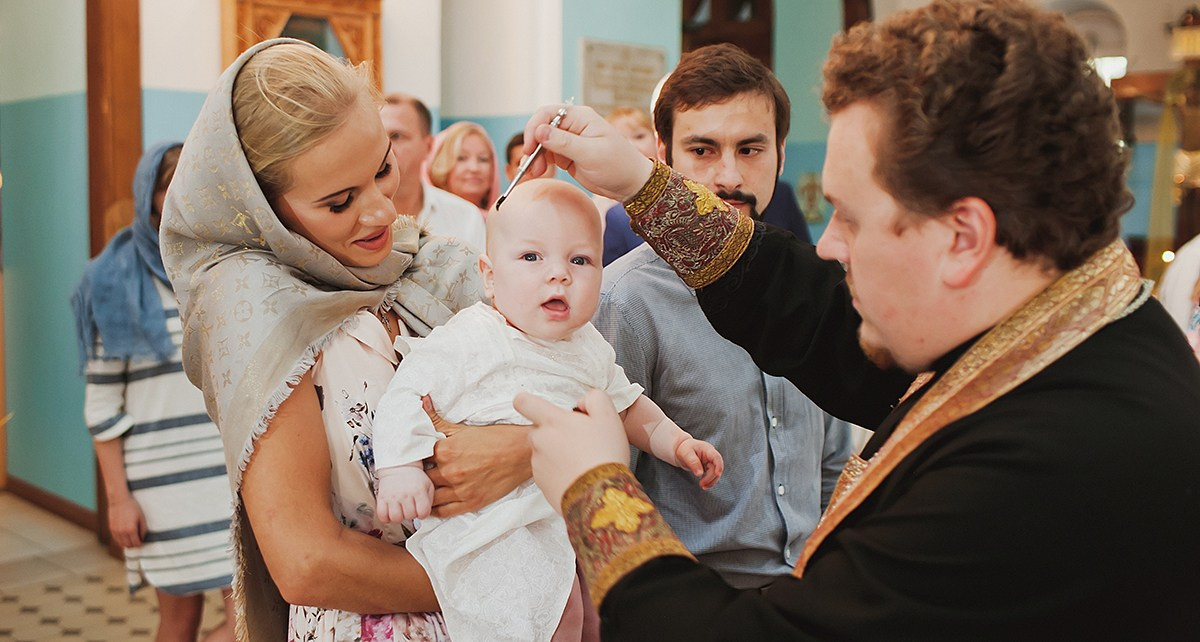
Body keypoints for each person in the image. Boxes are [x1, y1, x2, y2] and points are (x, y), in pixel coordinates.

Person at [516, 0, 1200, 637]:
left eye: (849, 214)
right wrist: (639, 181)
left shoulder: (1043, 464)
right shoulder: (1062, 318)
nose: (828, 244)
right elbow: (815, 318)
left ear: (963, 237)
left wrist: (597, 493)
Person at [161, 39, 534, 640]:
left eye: (383, 170)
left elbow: (573, 392)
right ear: (264, 210)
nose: (383, 213)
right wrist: (510, 578)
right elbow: (308, 560)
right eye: (340, 202)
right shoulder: (251, 304)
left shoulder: (423, 261)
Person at [371, 178, 723, 641]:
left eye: (580, 260)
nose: (559, 274)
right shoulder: (471, 337)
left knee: (600, 615)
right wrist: (400, 468)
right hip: (489, 524)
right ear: (490, 275)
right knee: (548, 618)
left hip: (559, 516)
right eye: (532, 258)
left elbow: (628, 405)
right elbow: (405, 394)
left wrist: (676, 443)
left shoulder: (588, 346)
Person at [594, 43, 857, 590]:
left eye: (751, 149)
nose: (729, 176)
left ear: (782, 155)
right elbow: (612, 487)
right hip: (697, 604)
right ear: (663, 156)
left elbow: (833, 462)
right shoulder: (628, 299)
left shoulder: (807, 288)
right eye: (703, 150)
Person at [71, 141, 235, 642]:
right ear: (151, 195)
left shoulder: (222, 265)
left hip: (232, 473)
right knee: (179, 619)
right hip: (163, 484)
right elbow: (101, 408)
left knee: (251, 615)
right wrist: (118, 501)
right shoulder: (112, 281)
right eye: (169, 182)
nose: (183, 190)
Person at [381, 93, 485, 252]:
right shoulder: (357, 217)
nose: (385, 147)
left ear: (428, 146)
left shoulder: (465, 217)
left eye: (397, 136)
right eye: (378, 136)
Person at [427, 120, 501, 214]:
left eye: (483, 159)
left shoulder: (504, 221)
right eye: (461, 158)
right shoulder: (424, 223)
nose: (474, 168)